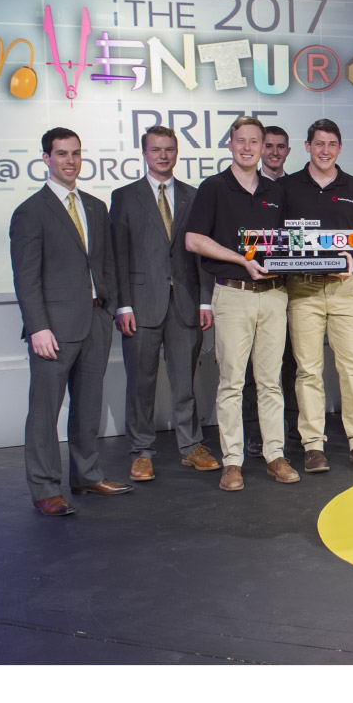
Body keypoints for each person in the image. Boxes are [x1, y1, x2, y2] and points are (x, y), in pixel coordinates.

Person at [11, 127, 133, 515]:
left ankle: (86, 475)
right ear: (46, 159)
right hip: (53, 329)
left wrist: (110, 306)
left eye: (76, 153)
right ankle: (45, 488)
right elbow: (26, 277)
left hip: (95, 321)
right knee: (45, 411)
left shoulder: (96, 207)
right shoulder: (31, 211)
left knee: (88, 405)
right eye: (61, 154)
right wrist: (37, 327)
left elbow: (106, 264)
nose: (70, 161)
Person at [184, 116, 300, 491]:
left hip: (274, 295)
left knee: (270, 383)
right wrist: (241, 260)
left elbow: (289, 242)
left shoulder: (276, 192)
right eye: (241, 141)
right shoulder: (214, 188)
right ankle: (232, 461)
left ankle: (275, 456)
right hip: (233, 294)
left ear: (265, 147)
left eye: (256, 142)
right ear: (230, 145)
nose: (249, 147)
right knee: (232, 382)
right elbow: (193, 240)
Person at [110, 125, 219, 482]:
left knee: (185, 382)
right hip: (141, 305)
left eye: (169, 149)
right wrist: (122, 305)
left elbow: (202, 254)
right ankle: (141, 452)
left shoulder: (193, 195)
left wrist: (205, 299)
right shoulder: (124, 197)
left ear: (177, 152)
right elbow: (118, 256)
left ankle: (191, 447)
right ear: (144, 153)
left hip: (186, 301)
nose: (163, 155)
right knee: (140, 382)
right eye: (156, 149)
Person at [280, 119, 353, 474]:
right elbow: (279, 242)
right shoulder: (287, 188)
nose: (325, 150)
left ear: (340, 148)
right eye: (319, 143)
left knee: (352, 367)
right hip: (302, 290)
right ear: (307, 146)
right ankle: (313, 445)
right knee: (308, 370)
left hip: (345, 290)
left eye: (332, 144)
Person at [243, 122, 297, 458]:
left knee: (291, 363)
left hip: (294, 288)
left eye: (280, 146)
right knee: (255, 366)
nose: (274, 151)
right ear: (261, 149)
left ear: (288, 151)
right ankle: (254, 432)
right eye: (270, 146)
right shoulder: (249, 187)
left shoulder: (293, 188)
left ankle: (287, 430)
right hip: (257, 286)